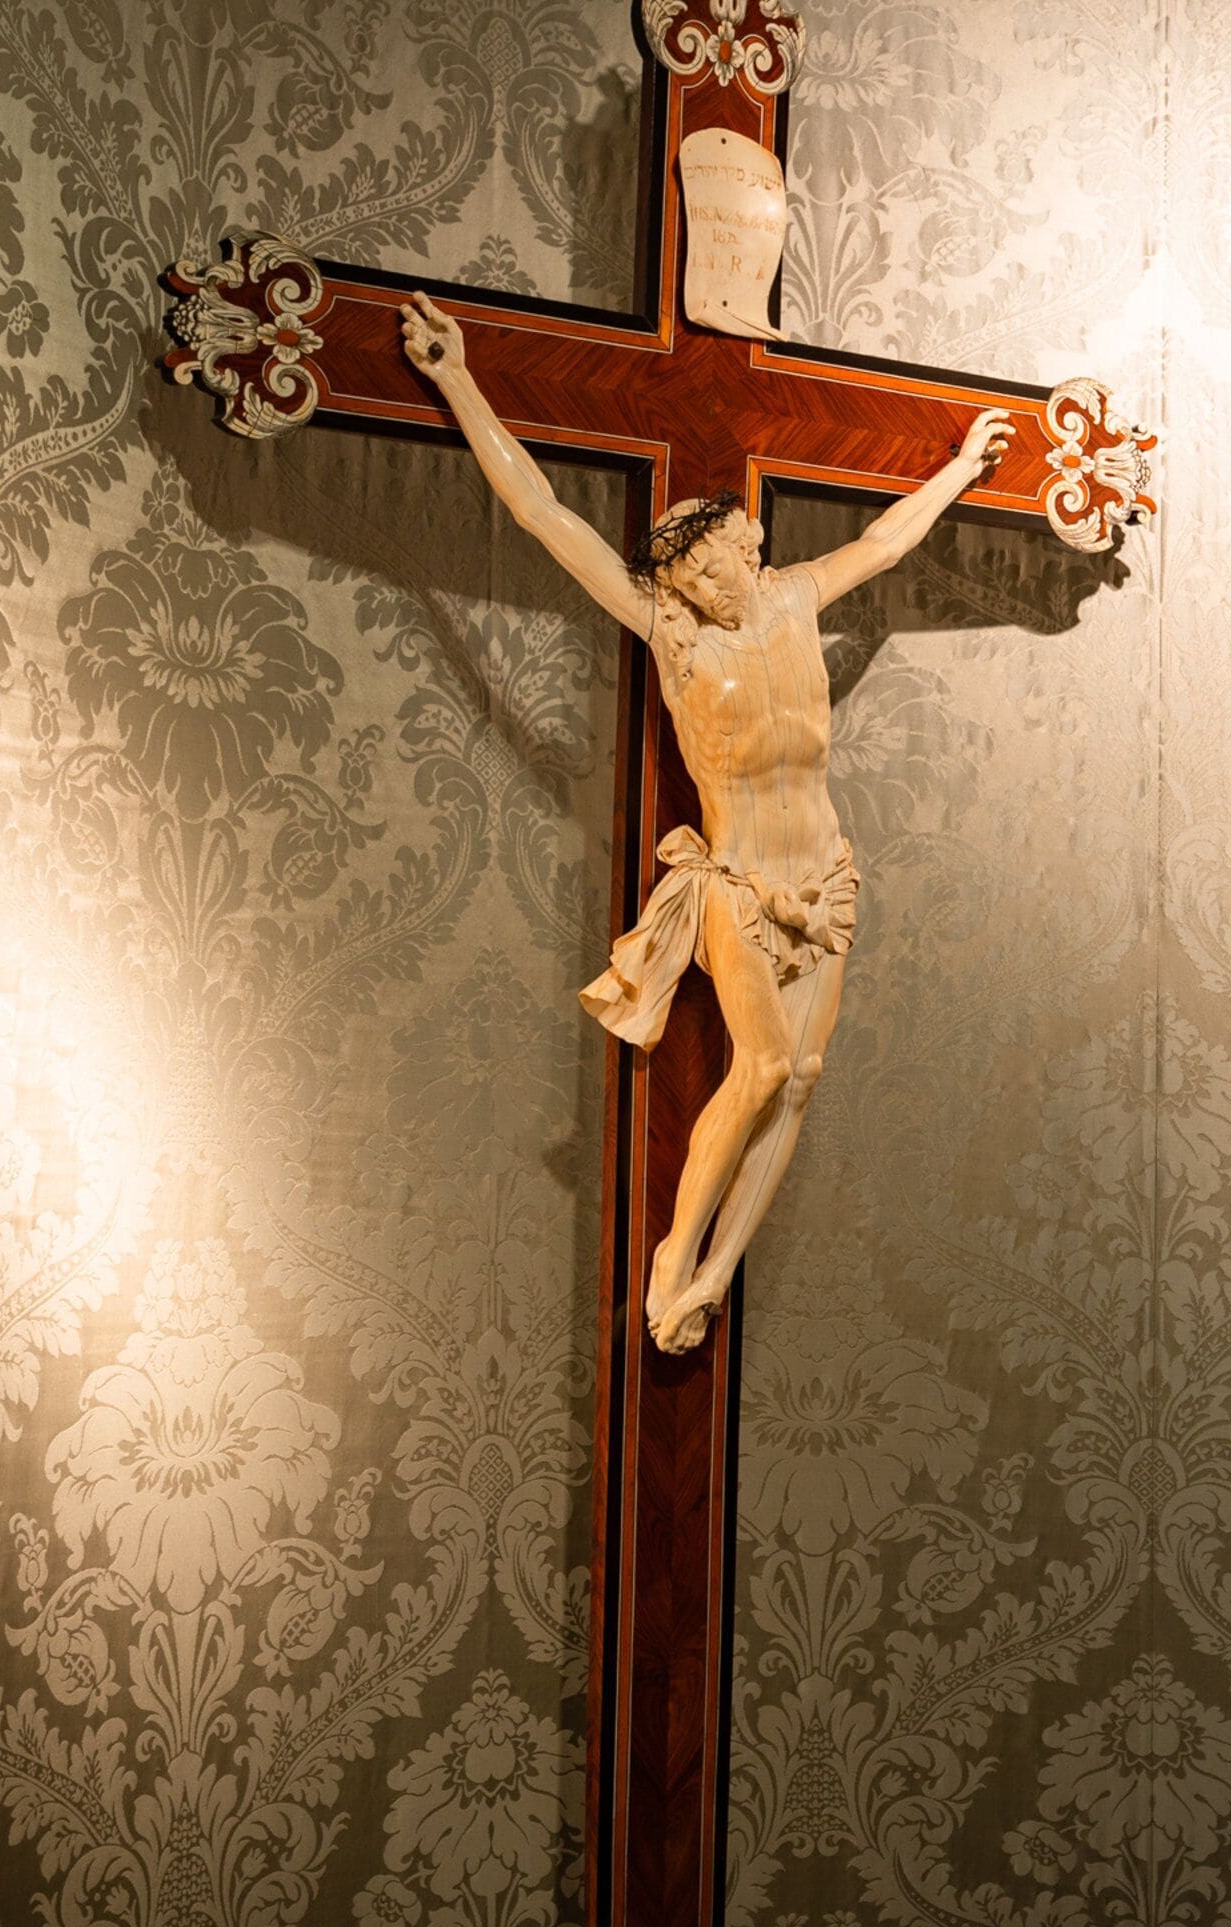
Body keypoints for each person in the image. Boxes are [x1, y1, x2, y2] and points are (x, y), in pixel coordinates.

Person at [396, 296, 1013, 1351]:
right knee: (764, 1067)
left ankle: (718, 1272)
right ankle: (676, 1255)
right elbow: (544, 513)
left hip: (825, 879)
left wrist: (960, 469)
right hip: (737, 882)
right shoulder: (669, 633)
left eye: (731, 549)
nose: (732, 563)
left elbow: (884, 543)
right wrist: (459, 380)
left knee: (805, 1079)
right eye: (712, 559)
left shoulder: (794, 600)